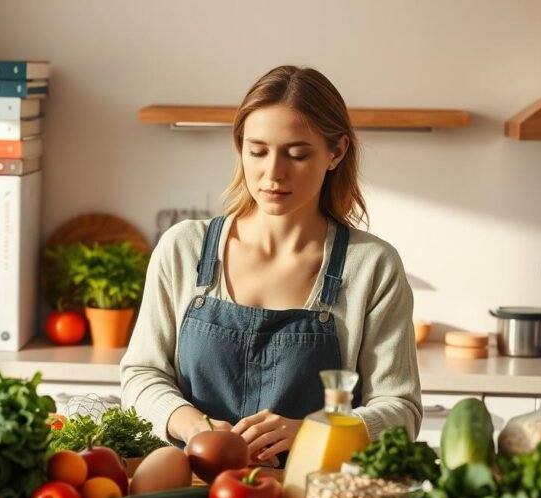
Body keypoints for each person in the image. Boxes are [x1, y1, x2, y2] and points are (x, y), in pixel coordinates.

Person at [120, 65, 422, 466]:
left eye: (297, 154)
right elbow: (141, 375)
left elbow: (400, 409)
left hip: (320, 494)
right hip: (189, 489)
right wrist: (195, 427)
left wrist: (315, 431)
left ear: (337, 152)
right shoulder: (183, 249)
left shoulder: (372, 267)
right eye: (257, 151)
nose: (272, 174)